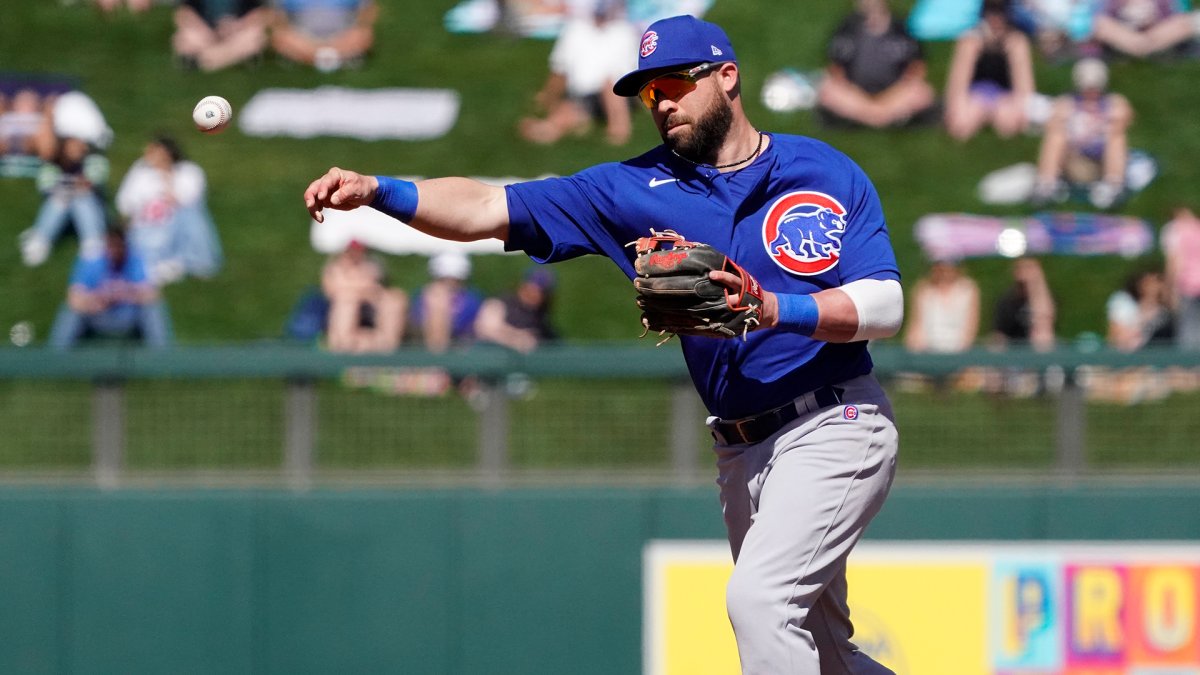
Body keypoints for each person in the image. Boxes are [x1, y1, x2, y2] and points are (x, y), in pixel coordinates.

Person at [304, 15, 904, 674]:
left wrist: (770, 307)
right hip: (740, 448)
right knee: (822, 653)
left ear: (727, 77)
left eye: (676, 82)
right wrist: (380, 190)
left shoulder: (824, 170)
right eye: (650, 93)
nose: (663, 103)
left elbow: (886, 305)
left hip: (835, 417)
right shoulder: (629, 189)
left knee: (761, 602)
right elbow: (485, 206)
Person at [518, 0, 638, 146]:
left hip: (618, 88)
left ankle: (619, 127)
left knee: (609, 81)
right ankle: (551, 125)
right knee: (572, 105)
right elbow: (560, 69)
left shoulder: (622, 32)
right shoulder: (577, 29)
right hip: (586, 91)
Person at [114, 135, 223, 284]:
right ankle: (161, 265)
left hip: (178, 225)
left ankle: (198, 262)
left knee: (190, 217)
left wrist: (167, 178)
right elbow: (125, 202)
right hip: (148, 225)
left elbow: (188, 201)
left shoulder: (189, 172)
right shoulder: (140, 172)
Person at [815, 0, 938, 129]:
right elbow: (835, 68)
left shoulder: (903, 26)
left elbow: (917, 67)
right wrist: (856, 94)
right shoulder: (846, 27)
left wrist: (894, 93)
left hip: (896, 92)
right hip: (856, 94)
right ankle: (884, 116)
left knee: (923, 93)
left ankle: (867, 116)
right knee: (829, 91)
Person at [1033, 57, 1133, 209]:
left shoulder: (1114, 103)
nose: (1091, 92)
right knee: (1056, 136)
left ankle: (1114, 185)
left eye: (1095, 87)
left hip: (1101, 160)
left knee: (1117, 137)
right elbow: (1051, 124)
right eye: (1087, 88)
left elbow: (1125, 119)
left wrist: (1104, 123)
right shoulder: (1066, 103)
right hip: (1075, 158)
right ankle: (1046, 183)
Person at [48, 228, 172, 349]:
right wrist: (96, 300)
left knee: (154, 309)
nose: (115, 251)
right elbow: (73, 299)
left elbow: (153, 295)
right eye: (111, 246)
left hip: (128, 317)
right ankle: (56, 356)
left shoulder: (136, 260)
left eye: (119, 246)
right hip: (97, 316)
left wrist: (125, 294)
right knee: (70, 312)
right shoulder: (91, 261)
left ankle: (162, 357)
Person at [944, 0, 1037, 141]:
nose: (995, 18)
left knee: (1009, 125)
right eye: (991, 12)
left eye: (1000, 12)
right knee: (961, 125)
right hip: (977, 93)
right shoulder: (970, 40)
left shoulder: (1017, 41)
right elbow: (957, 86)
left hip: (1005, 96)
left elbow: (1025, 90)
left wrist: (1010, 50)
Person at [19, 129, 110, 267]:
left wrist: (77, 188)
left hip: (89, 210)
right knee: (59, 200)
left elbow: (94, 184)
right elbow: (46, 188)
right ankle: (41, 241)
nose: (78, 148)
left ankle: (93, 244)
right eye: (73, 145)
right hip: (61, 210)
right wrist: (69, 190)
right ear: (63, 147)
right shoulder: (52, 166)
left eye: (80, 144)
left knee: (82, 198)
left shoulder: (93, 162)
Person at [321, 239, 407, 353]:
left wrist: (359, 289)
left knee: (395, 300)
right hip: (343, 311)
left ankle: (389, 348)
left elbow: (375, 288)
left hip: (371, 308)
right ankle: (343, 346)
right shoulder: (335, 268)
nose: (356, 253)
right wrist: (360, 289)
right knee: (347, 301)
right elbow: (332, 290)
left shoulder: (371, 265)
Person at [269, 0, 377, 72]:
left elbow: (367, 13)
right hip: (302, 35)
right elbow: (277, 18)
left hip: (343, 33)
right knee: (282, 38)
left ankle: (317, 57)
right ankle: (331, 57)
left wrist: (355, 29)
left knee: (362, 36)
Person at [411, 252, 485, 353]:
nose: (450, 283)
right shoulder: (425, 295)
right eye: (444, 280)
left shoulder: (471, 299)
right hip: (426, 348)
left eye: (455, 280)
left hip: (463, 349)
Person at [474, 267, 559, 352]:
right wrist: (517, 338)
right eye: (534, 288)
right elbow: (487, 329)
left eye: (543, 292)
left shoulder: (541, 320)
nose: (536, 294)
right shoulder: (500, 304)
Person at [904, 259, 980, 353]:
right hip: (927, 350)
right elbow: (915, 325)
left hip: (959, 351)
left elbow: (971, 326)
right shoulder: (923, 289)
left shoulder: (968, 289)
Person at [172, 0, 270, 72]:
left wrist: (236, 27)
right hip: (205, 33)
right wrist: (206, 31)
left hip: (237, 32)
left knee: (255, 37)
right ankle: (224, 57)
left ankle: (210, 59)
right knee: (186, 39)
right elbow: (183, 13)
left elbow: (260, 12)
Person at [1089, 0, 1200, 59]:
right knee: (1100, 23)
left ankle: (1141, 46)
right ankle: (1141, 46)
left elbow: (1173, 18)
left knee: (1184, 22)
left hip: (1156, 35)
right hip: (1124, 38)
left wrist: (1152, 22)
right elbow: (1104, 18)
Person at [990, 257, 1056, 352]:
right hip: (1013, 353)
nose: (1025, 272)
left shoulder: (1048, 297)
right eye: (1021, 267)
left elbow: (1044, 326)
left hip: (1039, 351)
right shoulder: (1007, 300)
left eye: (1029, 267)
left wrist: (1036, 286)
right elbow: (999, 334)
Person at [1106, 268, 1174, 351]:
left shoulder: (1165, 313)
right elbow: (1116, 336)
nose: (1154, 288)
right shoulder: (1124, 303)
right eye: (1149, 284)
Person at [1161, 206, 1200, 350]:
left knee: (1188, 331)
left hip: (1187, 287)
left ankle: (1191, 368)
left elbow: (1174, 261)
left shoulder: (1173, 230)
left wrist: (1169, 289)